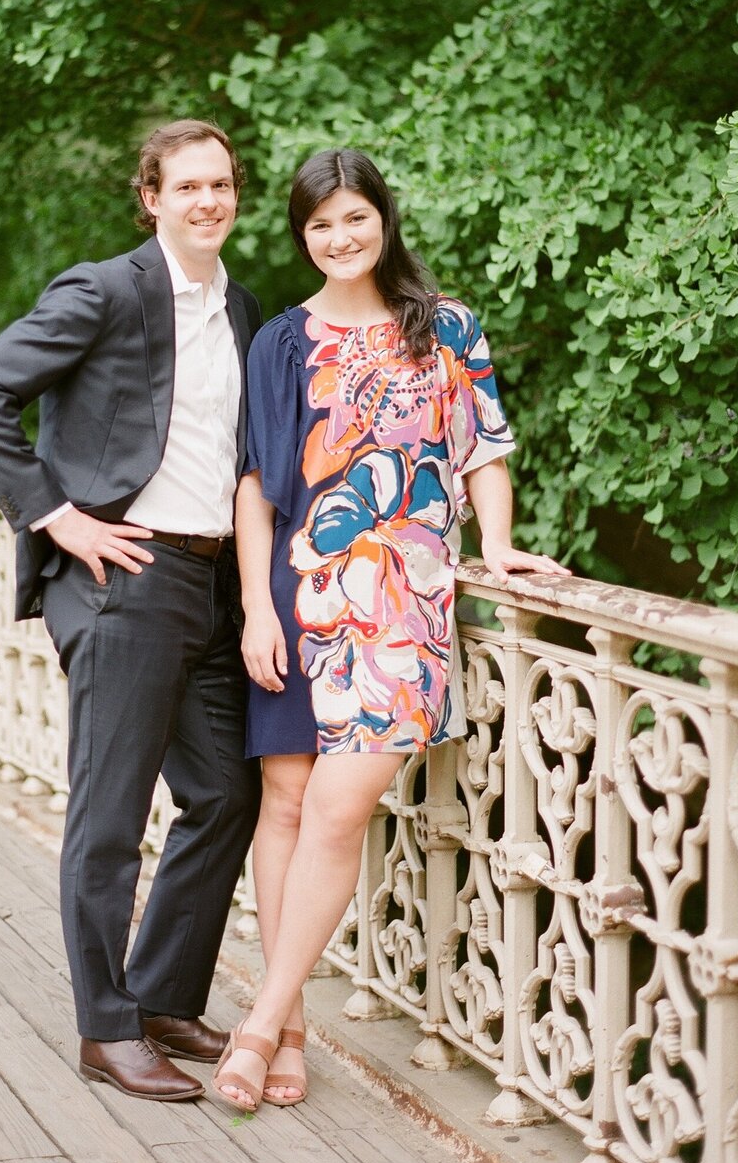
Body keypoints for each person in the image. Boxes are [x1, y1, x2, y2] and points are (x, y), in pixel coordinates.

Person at [214, 148, 569, 1111]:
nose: (339, 238)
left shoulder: (444, 326)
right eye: (319, 224)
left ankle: (257, 1022)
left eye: (354, 217)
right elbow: (256, 486)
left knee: (337, 812)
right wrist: (255, 607)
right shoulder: (282, 341)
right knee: (284, 809)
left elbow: (484, 442)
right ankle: (286, 1034)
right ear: (302, 237)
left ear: (383, 218)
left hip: (404, 607)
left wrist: (496, 546)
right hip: (296, 598)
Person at [0, 120, 262, 1103]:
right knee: (112, 813)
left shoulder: (240, 308)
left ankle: (163, 993)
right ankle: (105, 1027)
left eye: (222, 185)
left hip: (213, 583)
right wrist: (55, 516)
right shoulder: (107, 288)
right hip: (123, 577)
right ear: (152, 197)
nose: (208, 200)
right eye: (188, 186)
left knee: (225, 793)